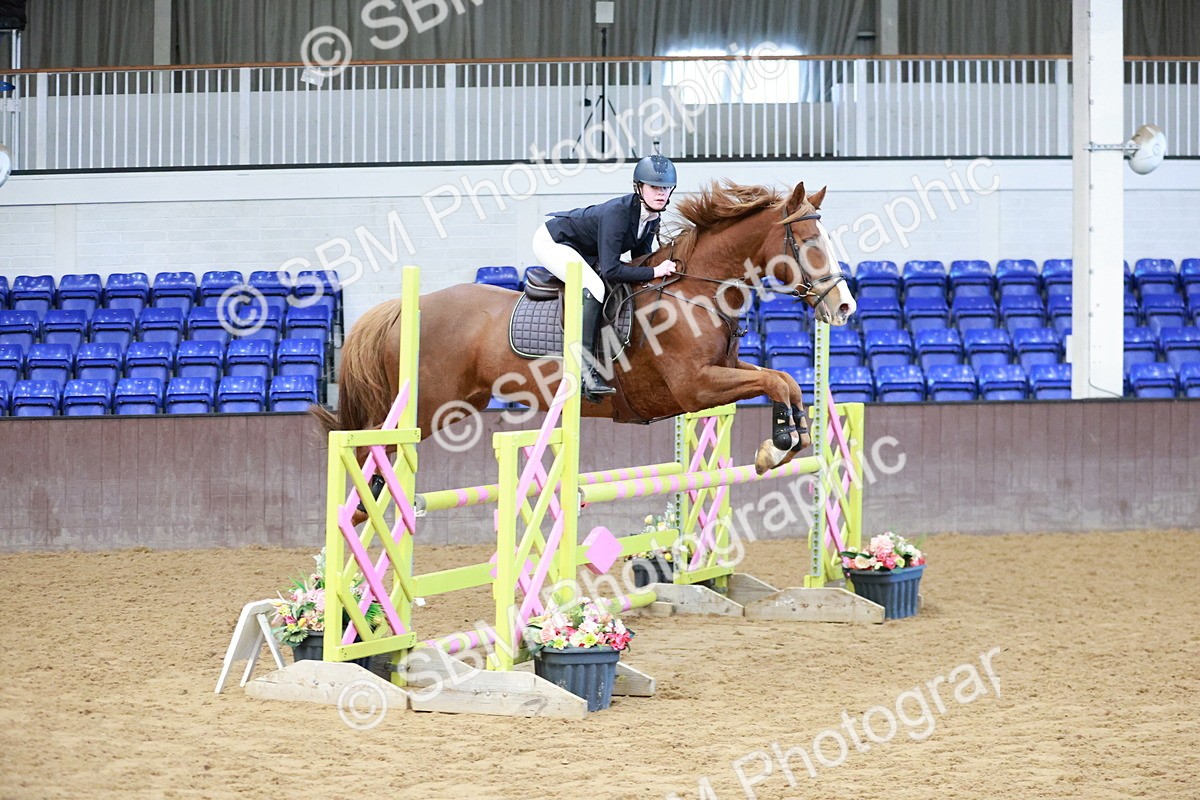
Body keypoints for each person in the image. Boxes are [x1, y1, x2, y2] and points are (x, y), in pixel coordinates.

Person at [531, 154, 679, 402]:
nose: (661, 193)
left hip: (584, 250)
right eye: (654, 187)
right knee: (595, 286)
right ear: (639, 187)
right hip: (553, 242)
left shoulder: (652, 217)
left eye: (666, 187)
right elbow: (611, 270)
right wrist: (655, 271)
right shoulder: (618, 213)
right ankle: (584, 373)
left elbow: (639, 259)